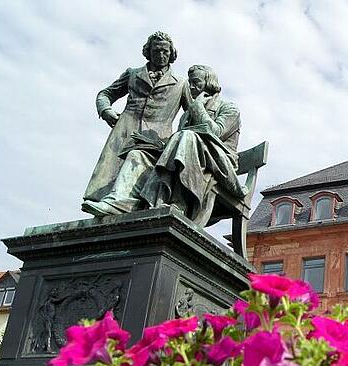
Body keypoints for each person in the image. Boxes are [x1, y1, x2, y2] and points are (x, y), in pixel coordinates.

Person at [82, 31, 189, 216]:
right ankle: (110, 209)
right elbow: (105, 94)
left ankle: (121, 204)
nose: (161, 55)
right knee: (111, 177)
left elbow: (193, 114)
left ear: (171, 54)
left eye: (165, 51)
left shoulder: (181, 83)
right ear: (148, 52)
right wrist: (105, 110)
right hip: (125, 130)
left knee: (137, 164)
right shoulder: (133, 74)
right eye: (156, 51)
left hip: (156, 138)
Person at [140, 65, 244, 226]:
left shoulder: (229, 108)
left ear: (209, 84)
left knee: (187, 136)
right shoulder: (187, 115)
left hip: (220, 163)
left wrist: (197, 108)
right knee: (139, 153)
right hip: (196, 156)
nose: (191, 87)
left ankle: (179, 202)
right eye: (190, 83)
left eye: (196, 82)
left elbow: (214, 133)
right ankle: (139, 203)